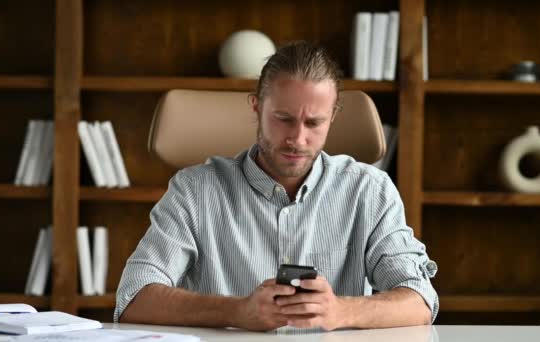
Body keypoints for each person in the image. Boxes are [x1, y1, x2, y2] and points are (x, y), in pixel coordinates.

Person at [115, 41, 438, 332]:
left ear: (334, 116)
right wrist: (236, 311)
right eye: (283, 118)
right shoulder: (194, 191)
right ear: (256, 107)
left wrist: (340, 310)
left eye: (314, 123)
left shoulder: (370, 191)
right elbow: (133, 298)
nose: (297, 139)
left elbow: (419, 300)